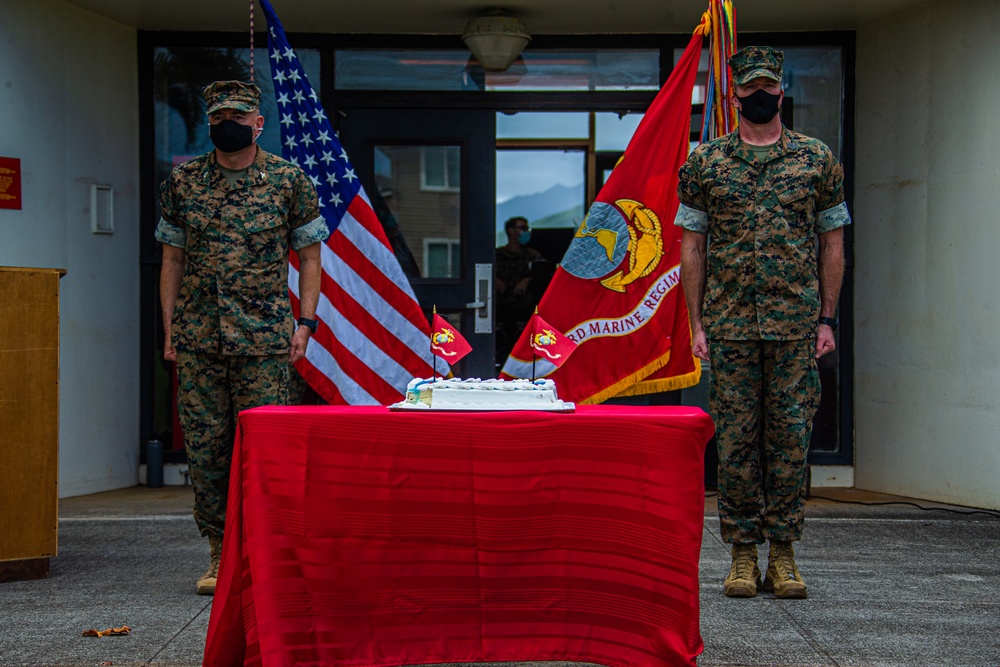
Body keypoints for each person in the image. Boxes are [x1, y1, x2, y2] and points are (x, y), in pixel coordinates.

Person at [674, 46, 851, 599]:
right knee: (736, 442)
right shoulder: (705, 164)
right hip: (729, 328)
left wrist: (827, 319)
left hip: (796, 327)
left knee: (791, 440)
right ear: (734, 95)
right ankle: (743, 555)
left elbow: (832, 244)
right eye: (748, 90)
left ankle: (786, 554)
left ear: (781, 91)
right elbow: (692, 248)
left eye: (766, 88)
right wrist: (696, 324)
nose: (758, 97)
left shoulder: (816, 160)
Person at [156, 80, 329, 595]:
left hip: (266, 341)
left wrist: (307, 324)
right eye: (217, 118)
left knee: (267, 450)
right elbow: (172, 259)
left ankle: (269, 551)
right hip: (199, 339)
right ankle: (218, 551)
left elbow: (311, 257)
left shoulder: (288, 181)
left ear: (258, 123)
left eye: (237, 116)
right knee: (208, 451)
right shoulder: (184, 182)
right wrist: (170, 331)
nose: (226, 124)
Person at [495, 216, 544, 362]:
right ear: (511, 231)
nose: (526, 232)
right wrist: (494, 280)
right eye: (522, 228)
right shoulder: (497, 255)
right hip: (500, 307)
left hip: (524, 308)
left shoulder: (532, 255)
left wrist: (526, 280)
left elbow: (542, 274)